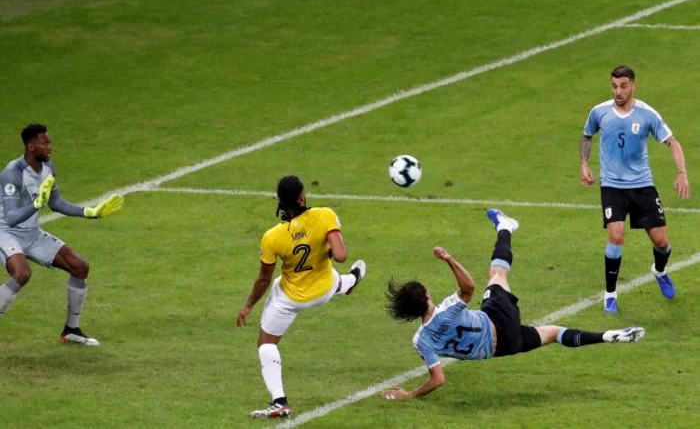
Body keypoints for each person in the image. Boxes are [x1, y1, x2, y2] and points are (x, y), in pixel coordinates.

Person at [380, 209, 644, 401]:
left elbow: (438, 379)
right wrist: (449, 259)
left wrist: (410, 394)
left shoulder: (420, 341)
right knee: (497, 275)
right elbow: (468, 288)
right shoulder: (446, 311)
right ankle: (505, 226)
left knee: (553, 333)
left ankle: (607, 336)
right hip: (498, 320)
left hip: (503, 348)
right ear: (426, 296)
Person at [236, 175, 367, 419]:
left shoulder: (273, 237)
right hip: (324, 289)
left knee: (266, 344)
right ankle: (351, 281)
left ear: (280, 202)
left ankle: (280, 402)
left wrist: (248, 306)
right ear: (302, 197)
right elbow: (340, 255)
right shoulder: (325, 215)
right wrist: (325, 248)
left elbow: (263, 279)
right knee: (336, 279)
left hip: (291, 299)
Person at [579, 65, 691, 314]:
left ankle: (659, 271)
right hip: (612, 186)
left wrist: (681, 173)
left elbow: (672, 142)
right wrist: (584, 164)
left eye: (623, 86)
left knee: (661, 242)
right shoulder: (599, 112)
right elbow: (587, 135)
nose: (618, 91)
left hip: (642, 185)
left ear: (633, 86)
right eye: (614, 86)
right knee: (616, 235)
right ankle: (610, 295)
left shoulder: (647, 114)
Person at [0, 124, 124, 346]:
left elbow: (56, 203)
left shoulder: (47, 169)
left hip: (31, 234)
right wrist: (36, 204)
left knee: (80, 266)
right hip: (6, 233)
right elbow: (11, 217)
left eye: (50, 142)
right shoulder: (12, 173)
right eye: (44, 143)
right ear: (31, 146)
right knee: (22, 274)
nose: (50, 147)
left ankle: (71, 330)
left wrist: (90, 212)